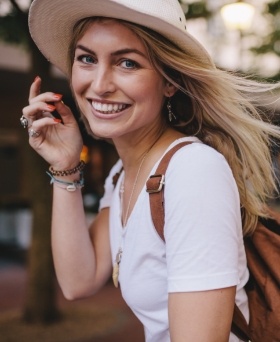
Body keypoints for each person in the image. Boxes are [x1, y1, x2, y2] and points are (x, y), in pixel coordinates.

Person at [21, 0, 280, 341]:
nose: (99, 85)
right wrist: (65, 167)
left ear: (169, 81)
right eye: (86, 58)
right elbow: (77, 281)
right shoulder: (122, 176)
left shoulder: (192, 172)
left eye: (127, 63)